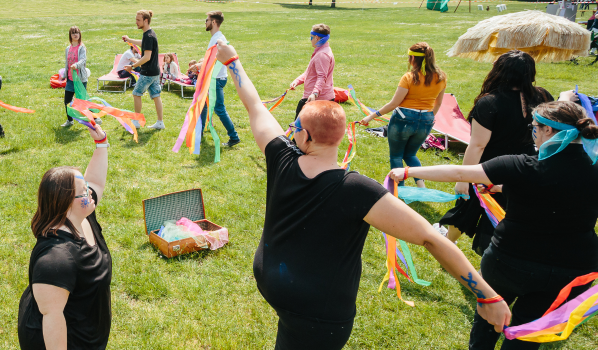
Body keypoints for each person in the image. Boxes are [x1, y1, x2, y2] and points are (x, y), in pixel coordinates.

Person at [215, 41, 510, 349]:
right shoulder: (357, 190)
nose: (289, 131)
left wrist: (232, 60)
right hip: (316, 314)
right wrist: (486, 294)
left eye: (294, 127)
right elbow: (430, 238)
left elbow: (255, 106)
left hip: (305, 312)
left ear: (305, 135)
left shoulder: (282, 158)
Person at [388, 101, 598, 350]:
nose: (533, 134)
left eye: (534, 128)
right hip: (572, 270)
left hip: (510, 262)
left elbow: (459, 173)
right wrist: (504, 188)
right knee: (527, 332)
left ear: (549, 131)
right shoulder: (591, 168)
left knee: (488, 320)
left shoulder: (522, 165)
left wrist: (408, 172)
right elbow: (561, 192)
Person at [435, 50, 552, 252]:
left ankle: (451, 244)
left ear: (500, 72)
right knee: (510, 208)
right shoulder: (541, 95)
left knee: (470, 206)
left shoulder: (490, 102)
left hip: (491, 166)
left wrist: (463, 178)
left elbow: (478, 144)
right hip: (527, 163)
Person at [17, 124, 111, 349]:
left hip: (85, 330)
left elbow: (96, 181)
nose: (90, 192)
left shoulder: (81, 217)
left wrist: (101, 144)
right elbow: (52, 319)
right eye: (84, 190)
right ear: (67, 202)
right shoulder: (56, 259)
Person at [360, 42, 447, 187]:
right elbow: (438, 104)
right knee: (410, 155)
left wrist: (370, 116)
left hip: (404, 120)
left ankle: (399, 190)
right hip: (427, 119)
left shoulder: (409, 77)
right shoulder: (441, 77)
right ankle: (422, 188)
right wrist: (427, 118)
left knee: (396, 156)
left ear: (413, 58)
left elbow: (394, 104)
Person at [196, 11, 240, 148]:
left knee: (219, 109)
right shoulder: (215, 37)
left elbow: (214, 60)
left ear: (213, 22)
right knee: (203, 104)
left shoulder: (218, 39)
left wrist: (199, 65)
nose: (205, 22)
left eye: (207, 20)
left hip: (217, 79)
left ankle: (234, 137)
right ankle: (200, 132)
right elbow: (210, 58)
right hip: (213, 77)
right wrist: (199, 64)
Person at [123, 9, 165, 130]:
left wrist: (133, 66)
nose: (136, 22)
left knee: (136, 94)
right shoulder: (150, 34)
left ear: (145, 21)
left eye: (138, 20)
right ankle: (160, 122)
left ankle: (136, 121)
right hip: (155, 72)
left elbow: (147, 57)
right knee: (156, 95)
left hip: (147, 73)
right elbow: (143, 43)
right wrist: (129, 40)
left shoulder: (149, 35)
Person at [289, 24, 335, 118]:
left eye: (311, 37)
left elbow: (322, 77)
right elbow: (310, 72)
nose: (310, 40)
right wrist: (297, 81)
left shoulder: (322, 55)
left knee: (301, 128)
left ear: (317, 38)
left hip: (317, 100)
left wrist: (314, 93)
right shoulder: (323, 50)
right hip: (317, 97)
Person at [61, 26, 100, 128]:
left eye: (77, 33)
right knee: (67, 101)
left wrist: (76, 65)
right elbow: (67, 63)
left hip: (80, 79)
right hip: (70, 79)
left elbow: (83, 60)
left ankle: (95, 118)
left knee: (83, 101)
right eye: (73, 33)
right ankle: (70, 120)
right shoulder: (67, 49)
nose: (75, 34)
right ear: (70, 35)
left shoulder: (81, 48)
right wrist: (65, 75)